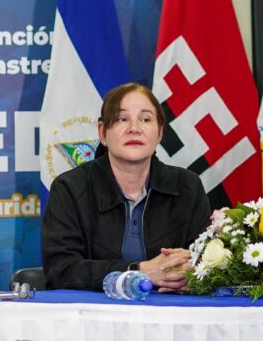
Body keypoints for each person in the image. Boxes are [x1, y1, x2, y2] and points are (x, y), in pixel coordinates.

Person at [42, 83, 210, 292]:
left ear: (159, 133)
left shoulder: (188, 187)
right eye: (122, 119)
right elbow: (61, 270)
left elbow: (206, 263)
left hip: (169, 308)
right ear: (102, 133)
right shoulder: (70, 188)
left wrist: (188, 274)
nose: (134, 128)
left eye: (145, 119)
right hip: (93, 311)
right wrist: (138, 271)